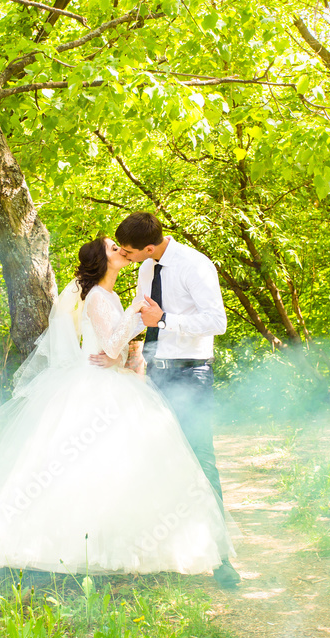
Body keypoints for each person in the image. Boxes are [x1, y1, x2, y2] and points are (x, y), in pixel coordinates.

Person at [0, 236, 235, 579]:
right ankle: (74, 550)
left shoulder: (110, 295)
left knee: (123, 469)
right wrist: (134, 319)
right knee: (87, 467)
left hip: (116, 380)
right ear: (103, 260)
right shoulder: (98, 296)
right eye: (114, 249)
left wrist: (129, 350)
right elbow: (111, 346)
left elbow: (117, 348)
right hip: (96, 386)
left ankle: (122, 546)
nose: (122, 251)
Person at [102, 211, 241, 588]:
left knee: (200, 458)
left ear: (149, 246)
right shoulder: (147, 269)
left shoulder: (195, 265)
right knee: (158, 460)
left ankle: (223, 559)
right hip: (155, 372)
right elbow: (139, 316)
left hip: (190, 371)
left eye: (130, 252)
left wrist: (166, 321)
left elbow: (218, 321)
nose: (126, 257)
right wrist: (108, 344)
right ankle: (165, 554)